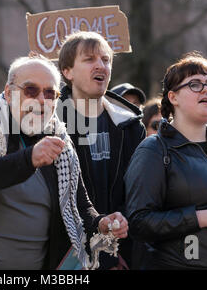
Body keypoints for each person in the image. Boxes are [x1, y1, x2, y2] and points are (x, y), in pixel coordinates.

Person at [0, 54, 128, 270]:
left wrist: (102, 223)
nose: (41, 99)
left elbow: (81, 206)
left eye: (50, 93)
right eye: (31, 90)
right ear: (8, 93)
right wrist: (28, 159)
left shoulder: (60, 140)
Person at [125, 52, 207, 269]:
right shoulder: (154, 150)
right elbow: (139, 222)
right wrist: (199, 218)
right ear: (173, 98)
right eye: (195, 85)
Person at [57, 31, 146, 269]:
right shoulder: (51, 125)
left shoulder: (130, 126)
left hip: (122, 252)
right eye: (89, 59)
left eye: (106, 60)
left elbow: (139, 193)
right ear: (67, 72)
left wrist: (117, 250)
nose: (101, 65)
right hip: (65, 255)